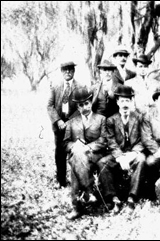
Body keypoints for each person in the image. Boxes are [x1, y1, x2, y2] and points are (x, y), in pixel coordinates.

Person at [97, 85, 147, 213]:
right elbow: (111, 141)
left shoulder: (139, 117)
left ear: (131, 102)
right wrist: (120, 157)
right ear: (118, 102)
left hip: (133, 152)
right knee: (102, 163)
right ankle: (113, 198)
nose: (125, 104)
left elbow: (143, 139)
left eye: (127, 100)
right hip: (118, 154)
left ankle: (132, 198)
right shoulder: (111, 120)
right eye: (122, 101)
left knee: (141, 159)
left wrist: (133, 153)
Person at [63, 86, 108, 220]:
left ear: (91, 102)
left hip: (95, 155)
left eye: (87, 103)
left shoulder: (101, 119)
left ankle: (77, 206)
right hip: (78, 155)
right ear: (77, 107)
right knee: (77, 157)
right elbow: (65, 144)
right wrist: (74, 146)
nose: (84, 107)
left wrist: (88, 147)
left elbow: (104, 140)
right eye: (81, 105)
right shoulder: (71, 122)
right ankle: (88, 193)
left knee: (76, 162)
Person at [47, 61, 85, 189]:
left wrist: (69, 122)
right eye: (65, 70)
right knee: (59, 152)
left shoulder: (80, 86)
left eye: (70, 69)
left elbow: (82, 107)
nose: (68, 72)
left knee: (75, 151)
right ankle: (61, 180)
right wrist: (58, 121)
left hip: (74, 124)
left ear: (74, 71)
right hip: (59, 125)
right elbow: (50, 106)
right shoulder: (55, 86)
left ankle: (78, 181)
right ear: (61, 72)